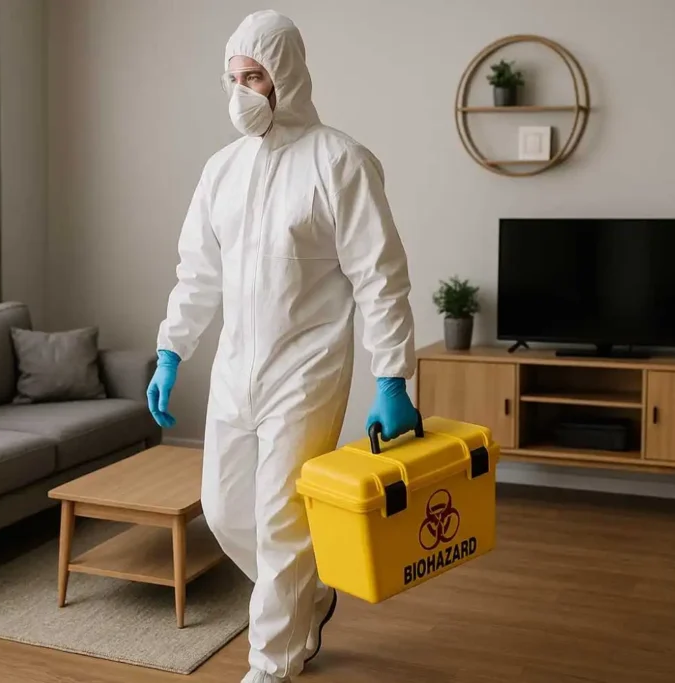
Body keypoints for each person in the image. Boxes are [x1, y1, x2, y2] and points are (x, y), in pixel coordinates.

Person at [147, 10, 418, 683]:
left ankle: (271, 665)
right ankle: (312, 591)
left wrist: (393, 378)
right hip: (235, 369)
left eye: (254, 76)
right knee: (225, 510)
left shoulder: (341, 162)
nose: (241, 91)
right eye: (232, 77)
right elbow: (197, 272)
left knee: (279, 519)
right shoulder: (221, 170)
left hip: (308, 369)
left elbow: (380, 277)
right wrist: (172, 350)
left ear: (286, 76)